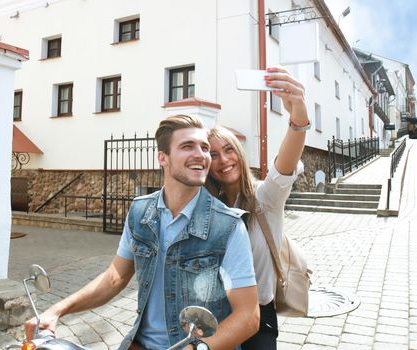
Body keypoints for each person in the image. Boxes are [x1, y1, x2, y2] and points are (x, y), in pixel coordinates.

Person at [24, 115, 260, 350]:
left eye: (204, 148)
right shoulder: (140, 211)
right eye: (188, 146)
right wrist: (56, 311)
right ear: (162, 158)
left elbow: (249, 317)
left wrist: (194, 349)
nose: (201, 155)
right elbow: (115, 277)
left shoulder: (227, 225)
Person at [205, 67, 308, 350]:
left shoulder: (266, 197)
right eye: (213, 154)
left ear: (239, 152)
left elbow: (284, 165)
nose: (223, 160)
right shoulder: (209, 208)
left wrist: (297, 116)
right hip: (215, 313)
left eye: (228, 150)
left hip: (258, 315)